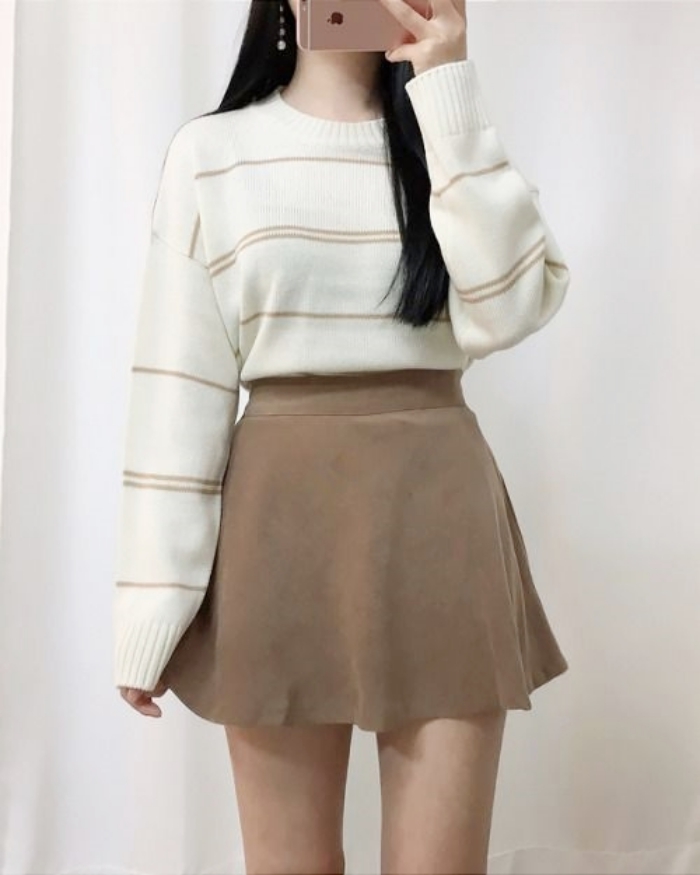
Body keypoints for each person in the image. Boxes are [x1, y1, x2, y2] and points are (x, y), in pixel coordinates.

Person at [113, 0, 571, 870]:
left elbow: (514, 306)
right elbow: (178, 394)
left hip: (441, 522)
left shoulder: (451, 139)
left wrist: (447, 86)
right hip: (276, 531)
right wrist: (151, 609)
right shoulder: (212, 154)